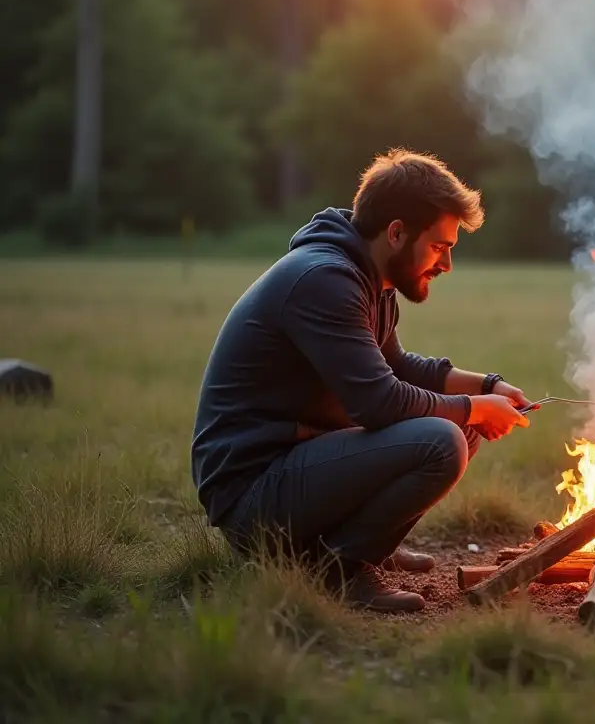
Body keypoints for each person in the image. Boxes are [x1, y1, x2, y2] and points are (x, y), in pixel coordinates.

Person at [191, 148, 534, 613]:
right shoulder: (325, 281)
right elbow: (379, 401)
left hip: (293, 465)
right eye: (439, 246)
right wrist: (474, 407)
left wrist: (487, 387)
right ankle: (336, 568)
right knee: (442, 441)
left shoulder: (369, 278)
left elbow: (396, 367)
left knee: (460, 426)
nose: (446, 264)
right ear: (396, 233)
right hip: (251, 493)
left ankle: (357, 547)